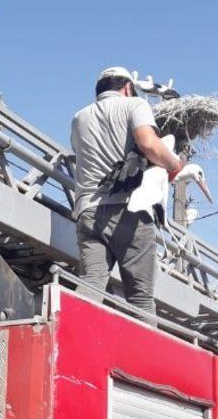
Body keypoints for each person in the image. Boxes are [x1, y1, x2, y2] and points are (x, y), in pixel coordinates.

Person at [71, 66, 182, 317]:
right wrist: (175, 164)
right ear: (128, 88)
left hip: (87, 212)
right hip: (127, 212)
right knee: (140, 298)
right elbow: (148, 143)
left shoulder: (79, 118)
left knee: (90, 284)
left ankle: (70, 339)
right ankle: (144, 356)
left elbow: (81, 155)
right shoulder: (134, 105)